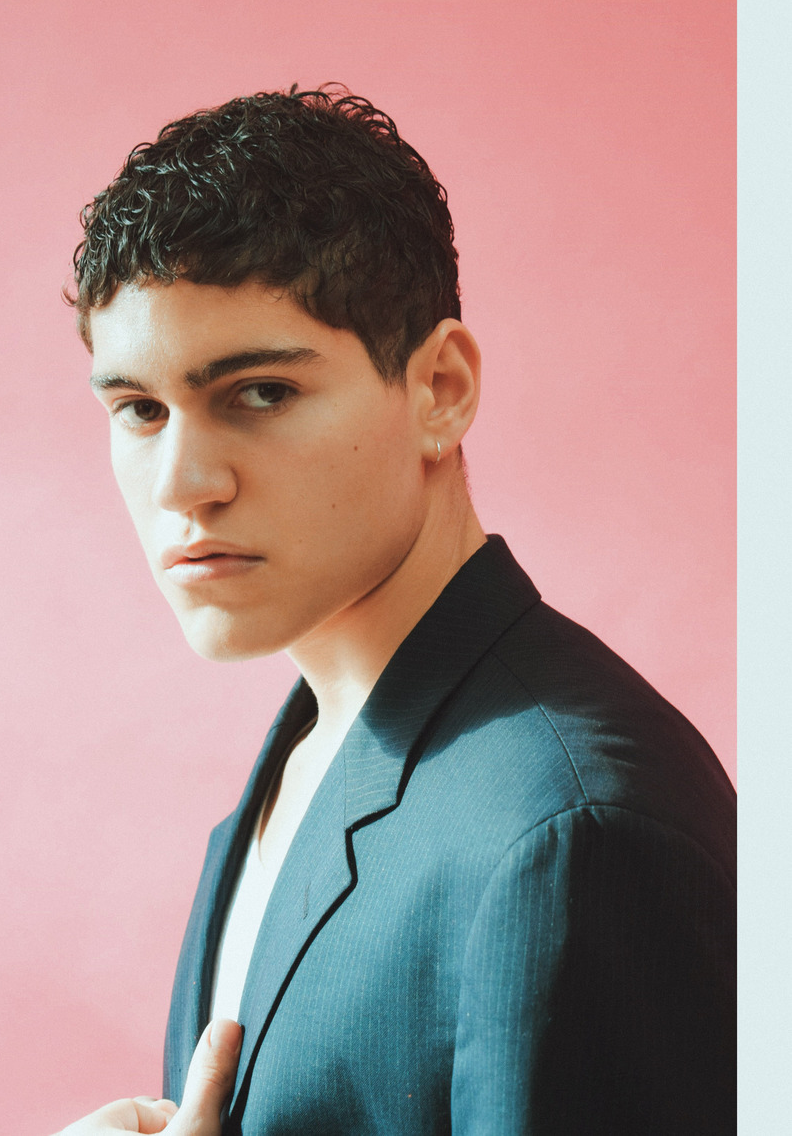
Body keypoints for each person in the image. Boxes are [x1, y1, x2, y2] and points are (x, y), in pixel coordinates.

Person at [55, 86, 736, 1135]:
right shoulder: (296, 766)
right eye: (140, 409)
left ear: (440, 388)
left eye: (260, 391)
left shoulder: (573, 831)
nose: (184, 482)